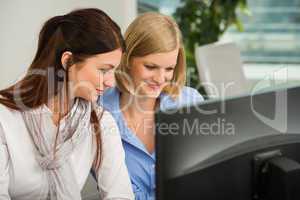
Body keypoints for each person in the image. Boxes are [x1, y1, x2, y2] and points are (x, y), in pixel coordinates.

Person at [0, 8, 134, 200]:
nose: (111, 82)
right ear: (68, 60)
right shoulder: (5, 117)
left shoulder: (101, 123)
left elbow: (121, 195)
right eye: (104, 70)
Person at [100, 12, 204, 199]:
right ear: (128, 58)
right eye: (151, 67)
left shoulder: (191, 103)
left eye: (169, 69)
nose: (159, 79)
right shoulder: (98, 111)